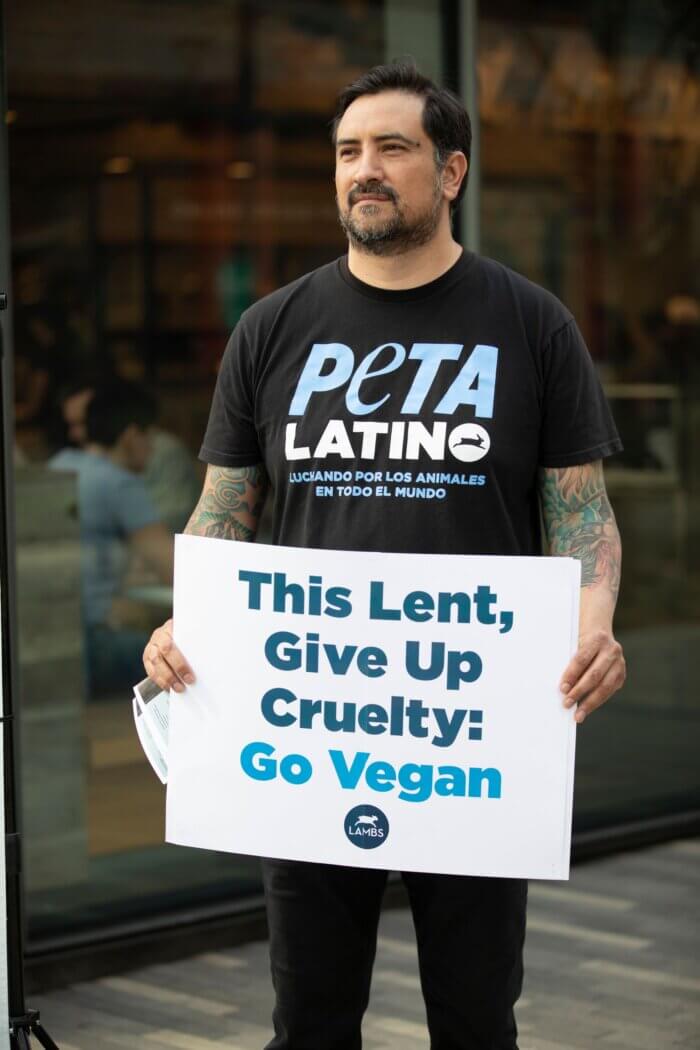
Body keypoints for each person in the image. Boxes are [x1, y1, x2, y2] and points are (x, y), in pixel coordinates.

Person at [142, 61, 626, 1050]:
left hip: (472, 731)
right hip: (311, 732)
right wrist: (187, 615)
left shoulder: (530, 325)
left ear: (450, 172)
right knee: (311, 1017)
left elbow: (580, 514)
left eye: (391, 149)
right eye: (347, 152)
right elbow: (223, 507)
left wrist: (594, 625)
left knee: (475, 1016)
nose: (364, 170)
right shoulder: (270, 330)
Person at [50, 381, 174, 696]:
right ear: (132, 436)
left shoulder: (61, 465)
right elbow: (175, 570)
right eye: (150, 435)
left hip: (54, 632)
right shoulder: (119, 484)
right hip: (96, 641)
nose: (153, 447)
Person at [59, 382, 202, 532]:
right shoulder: (104, 473)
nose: (75, 434)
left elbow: (172, 518)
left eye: (82, 423)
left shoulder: (162, 451)